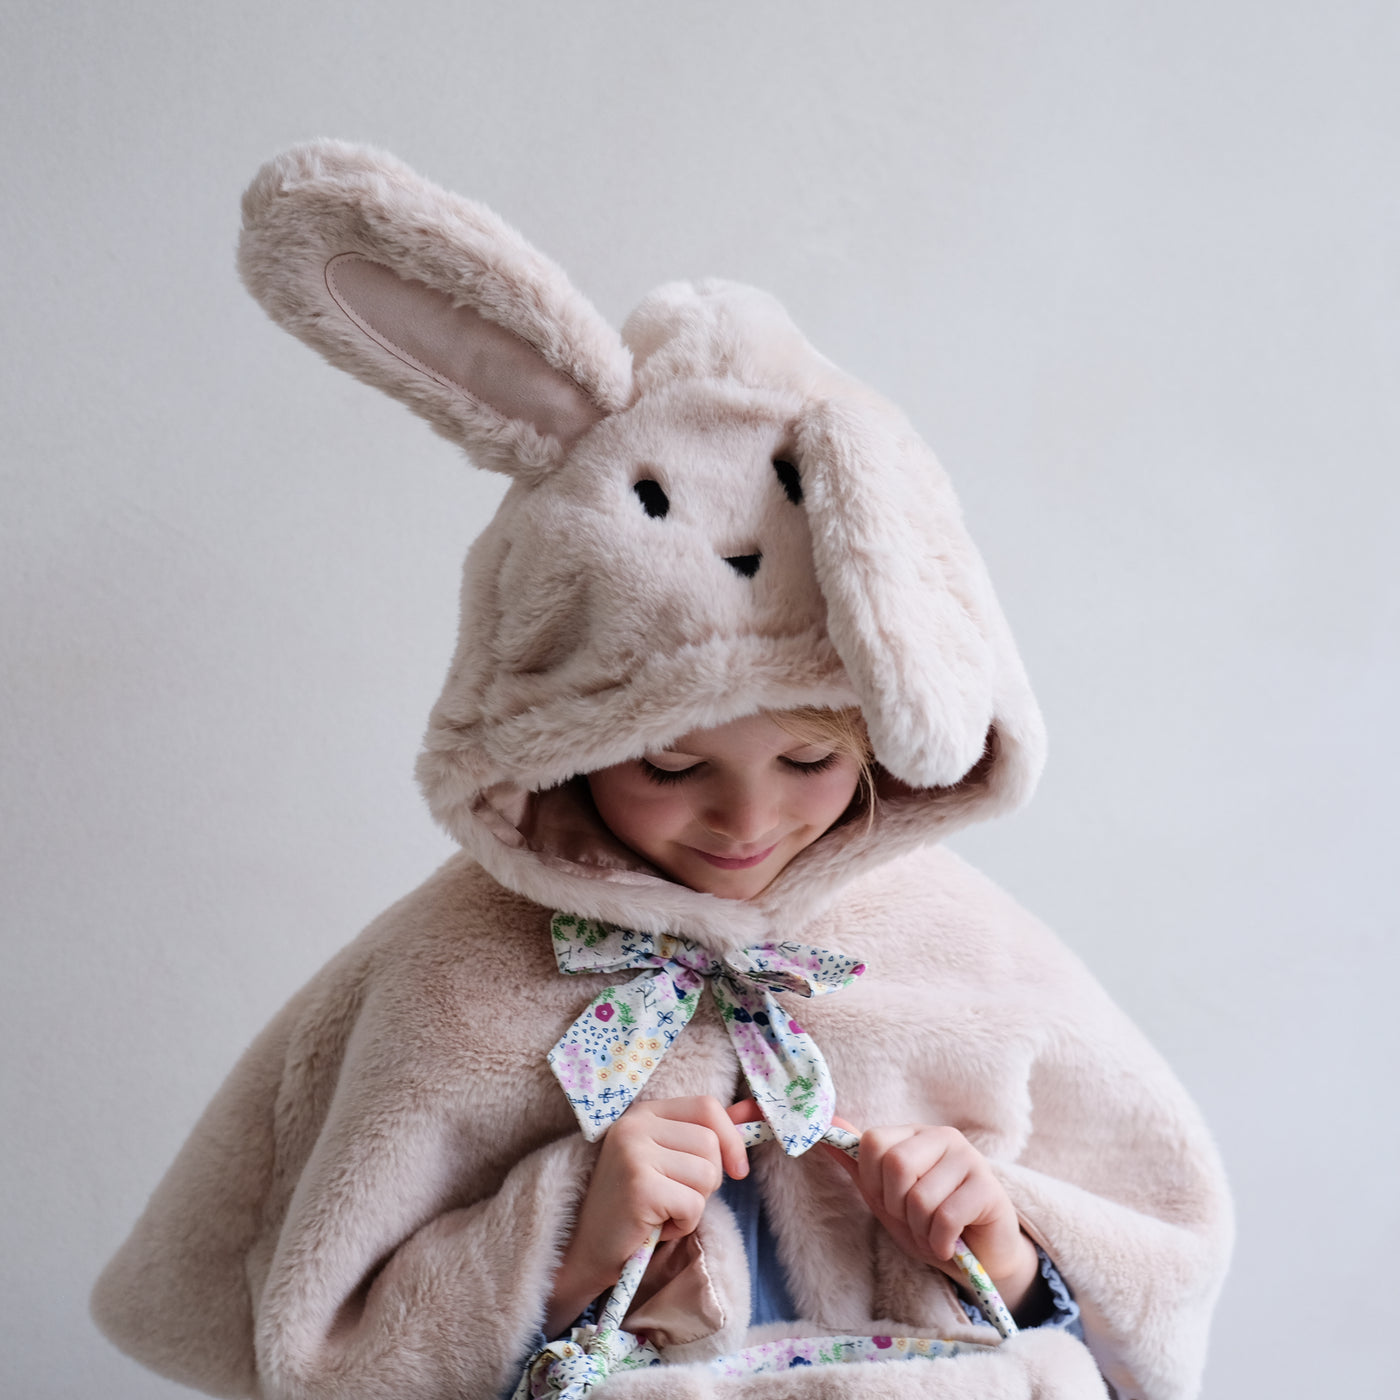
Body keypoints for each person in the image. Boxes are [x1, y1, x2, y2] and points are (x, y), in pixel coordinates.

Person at [91, 141, 1232, 1400]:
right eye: (673, 763)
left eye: (809, 757)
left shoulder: (973, 957)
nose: (748, 817)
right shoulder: (452, 981)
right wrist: (568, 1236)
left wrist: (1002, 1244)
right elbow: (320, 1350)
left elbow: (1155, 1284)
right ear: (558, 747)